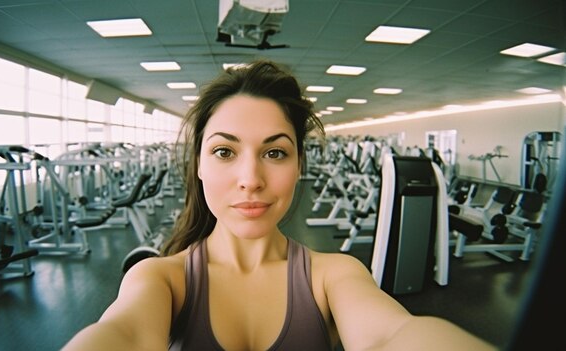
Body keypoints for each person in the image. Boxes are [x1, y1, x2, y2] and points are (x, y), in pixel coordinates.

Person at [62, 60, 496, 351]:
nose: (250, 179)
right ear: (198, 166)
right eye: (224, 152)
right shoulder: (159, 280)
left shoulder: (336, 275)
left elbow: (394, 336)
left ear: (298, 164)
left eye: (274, 152)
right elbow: (121, 334)